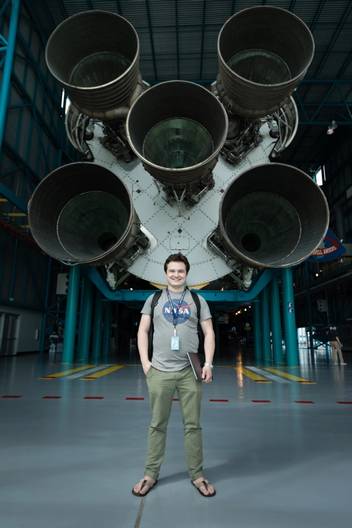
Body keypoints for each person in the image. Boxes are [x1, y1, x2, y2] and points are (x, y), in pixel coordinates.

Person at [132, 253, 216, 498]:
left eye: (180, 271)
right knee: (157, 425)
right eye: (172, 271)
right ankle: (150, 474)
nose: (176, 275)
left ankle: (197, 475)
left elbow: (208, 333)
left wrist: (208, 363)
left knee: (193, 426)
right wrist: (146, 362)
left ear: (187, 273)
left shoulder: (198, 300)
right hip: (159, 371)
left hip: (190, 372)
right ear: (166, 273)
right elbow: (143, 330)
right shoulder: (154, 299)